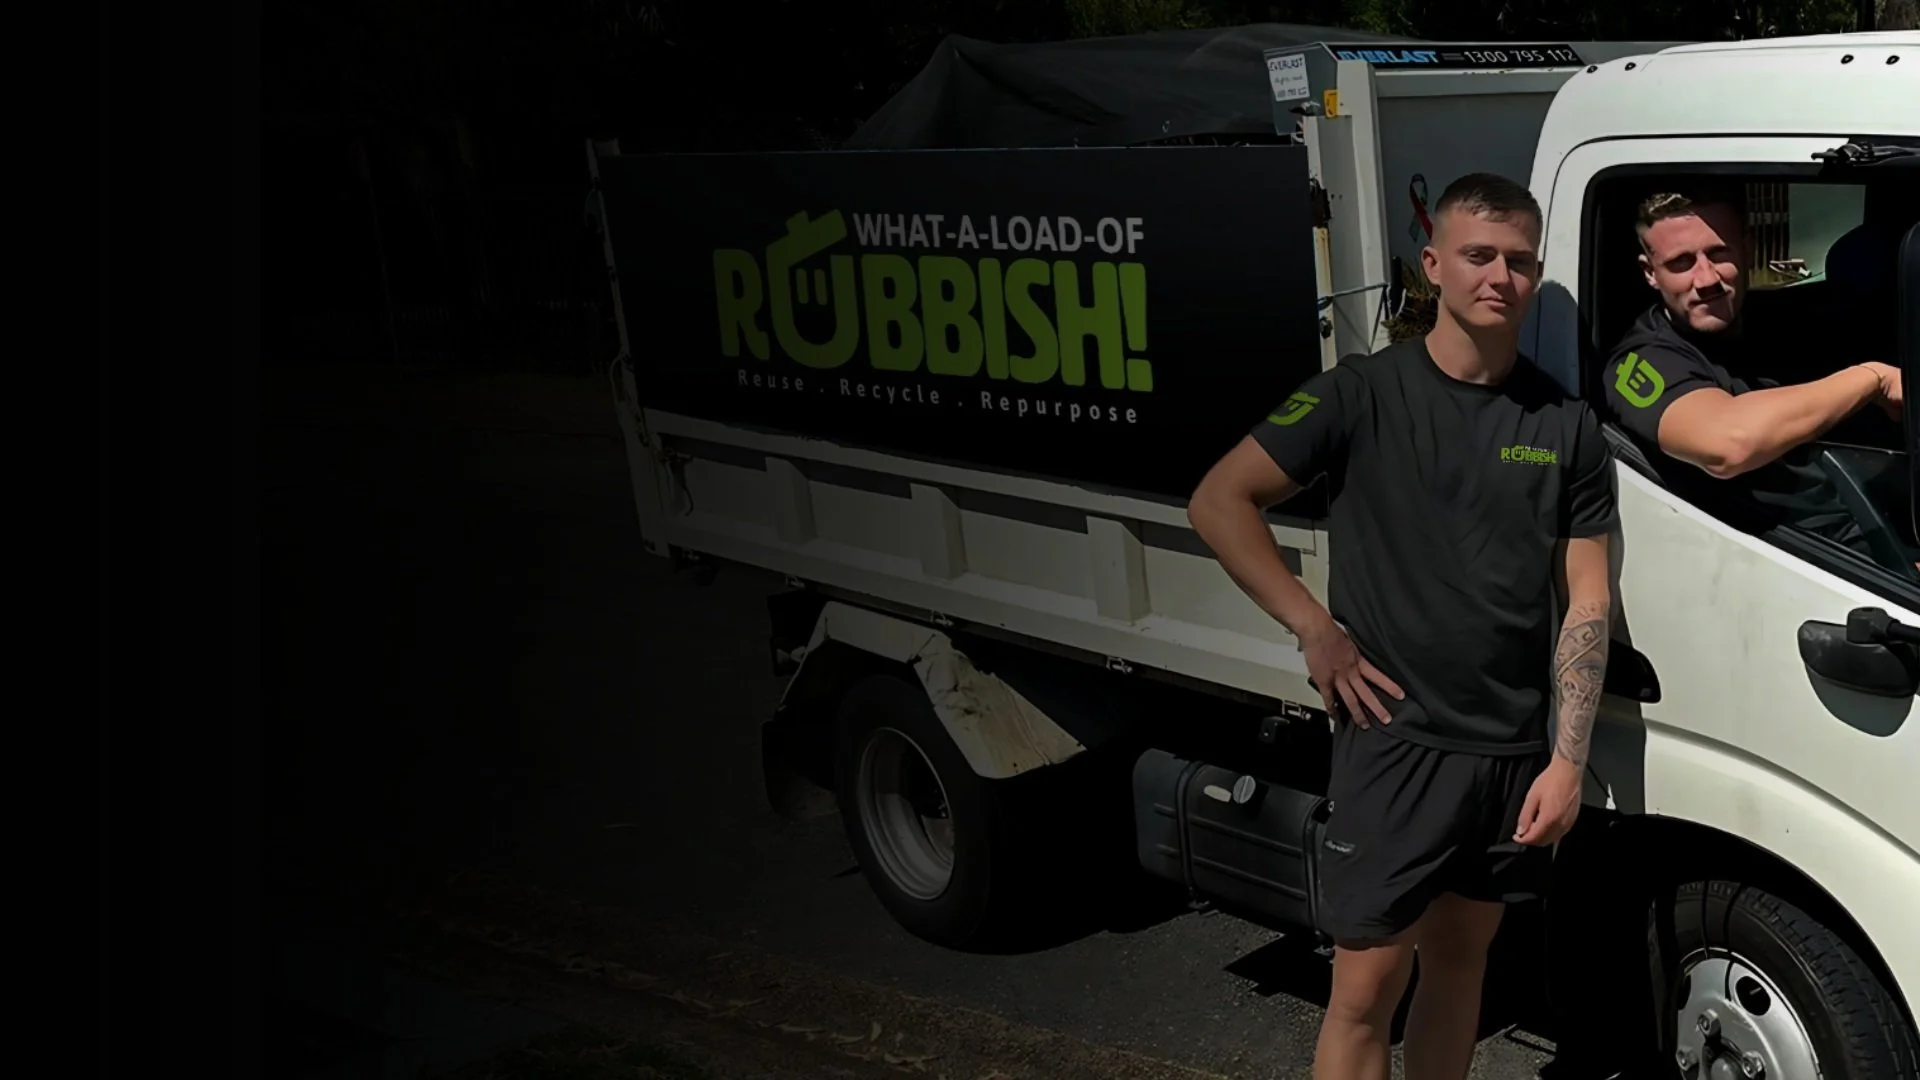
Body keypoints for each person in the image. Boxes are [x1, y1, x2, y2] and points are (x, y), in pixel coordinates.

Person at [1186, 172, 1617, 1080]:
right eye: (1478, 255)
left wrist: (1568, 761)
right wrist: (1314, 628)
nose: (1500, 276)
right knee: (1366, 989)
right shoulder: (1361, 394)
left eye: (1520, 261)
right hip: (1396, 743)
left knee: (1461, 967)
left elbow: (1587, 600)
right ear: (1433, 266)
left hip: (1511, 752)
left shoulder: (1566, 424)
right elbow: (1221, 500)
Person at [1599, 188, 1905, 558]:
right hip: (1801, 554)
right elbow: (1728, 446)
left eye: (1718, 253)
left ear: (1747, 248)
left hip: (1872, 517)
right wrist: (1872, 379)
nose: (1706, 278)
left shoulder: (1779, 321)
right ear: (1650, 273)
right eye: (1681, 263)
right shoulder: (1640, 360)